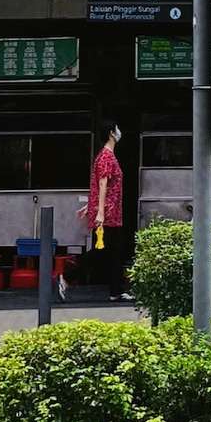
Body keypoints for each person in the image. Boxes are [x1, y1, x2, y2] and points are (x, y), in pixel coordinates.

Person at [80, 122, 129, 301]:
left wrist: (90, 206)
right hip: (108, 213)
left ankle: (116, 290)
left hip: (111, 211)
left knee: (116, 251)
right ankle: (68, 276)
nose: (118, 132)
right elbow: (103, 184)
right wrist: (99, 211)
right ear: (111, 133)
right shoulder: (106, 157)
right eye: (116, 129)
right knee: (102, 250)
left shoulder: (106, 156)